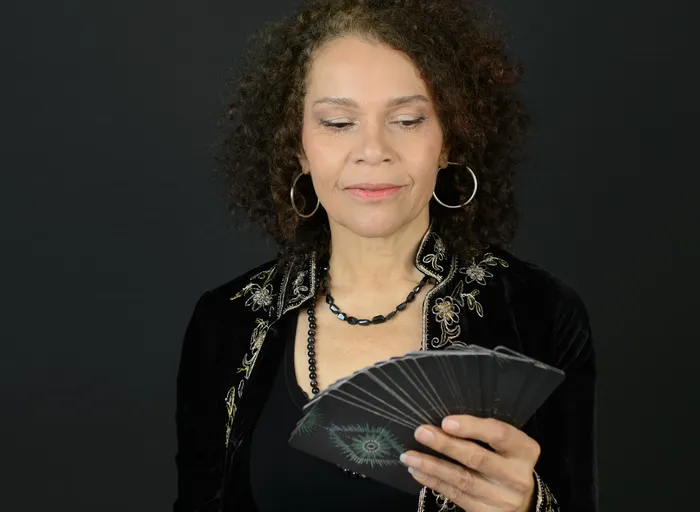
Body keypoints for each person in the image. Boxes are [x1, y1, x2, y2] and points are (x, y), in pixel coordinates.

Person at [173, 0, 597, 510]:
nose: (373, 150)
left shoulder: (538, 313)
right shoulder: (227, 323)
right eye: (336, 122)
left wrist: (531, 506)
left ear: (449, 139)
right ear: (298, 147)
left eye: (408, 119)